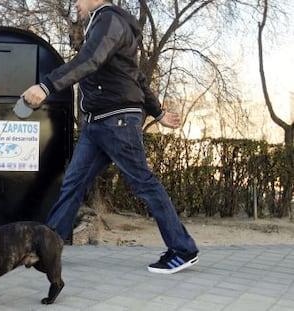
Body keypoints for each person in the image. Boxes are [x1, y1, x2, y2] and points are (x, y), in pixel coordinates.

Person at [21, 0, 199, 274]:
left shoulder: (110, 20)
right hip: (97, 124)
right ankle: (48, 248)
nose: (75, 4)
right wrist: (158, 113)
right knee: (72, 184)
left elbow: (89, 61)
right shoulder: (104, 25)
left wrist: (47, 85)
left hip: (117, 121)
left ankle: (183, 248)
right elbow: (136, 77)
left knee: (144, 184)